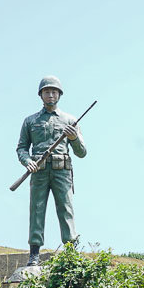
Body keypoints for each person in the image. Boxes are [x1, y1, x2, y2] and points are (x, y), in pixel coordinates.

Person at [16, 75, 87, 266]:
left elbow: (82, 152)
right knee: (37, 210)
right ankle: (34, 254)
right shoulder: (30, 121)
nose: (50, 95)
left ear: (59, 95)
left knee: (66, 209)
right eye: (46, 92)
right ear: (41, 95)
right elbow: (21, 147)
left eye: (54, 92)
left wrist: (74, 139)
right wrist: (27, 161)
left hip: (61, 170)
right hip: (38, 171)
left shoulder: (70, 120)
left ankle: (71, 252)